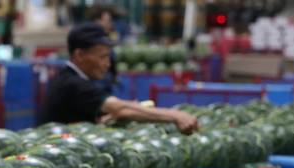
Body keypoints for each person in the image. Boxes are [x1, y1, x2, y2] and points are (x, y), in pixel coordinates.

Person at [38, 23, 198, 134]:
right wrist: (174, 115)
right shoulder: (72, 84)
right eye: (103, 57)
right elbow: (120, 109)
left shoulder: (71, 78)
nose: (108, 64)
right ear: (79, 55)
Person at [88, 5, 117, 96]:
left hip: (106, 84)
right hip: (97, 85)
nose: (110, 24)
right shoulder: (91, 41)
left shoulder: (105, 38)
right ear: (97, 21)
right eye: (107, 21)